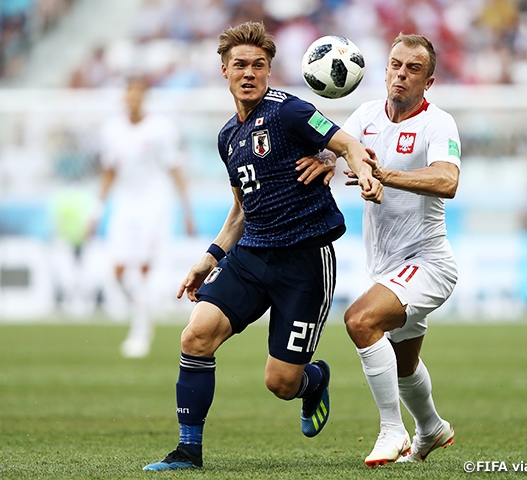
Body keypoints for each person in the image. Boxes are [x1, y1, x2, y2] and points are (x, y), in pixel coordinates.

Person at [143, 21, 383, 471]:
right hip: (251, 256)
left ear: (270, 70)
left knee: (280, 381)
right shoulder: (226, 138)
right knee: (195, 336)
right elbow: (240, 211)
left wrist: (362, 171)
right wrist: (208, 259)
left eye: (258, 65)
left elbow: (347, 142)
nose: (248, 73)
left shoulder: (290, 111)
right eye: (240, 65)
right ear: (224, 71)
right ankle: (187, 452)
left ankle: (313, 382)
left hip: (303, 261)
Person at [310, 33, 461, 467]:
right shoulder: (365, 114)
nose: (401, 74)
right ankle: (431, 428)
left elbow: (447, 181)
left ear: (428, 82)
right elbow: (345, 150)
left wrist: (385, 175)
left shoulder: (438, 123)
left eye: (413, 69)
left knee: (359, 320)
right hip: (386, 266)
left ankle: (392, 430)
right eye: (396, 64)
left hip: (429, 263)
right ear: (384, 68)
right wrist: (329, 158)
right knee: (403, 363)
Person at [93, 77, 195, 358]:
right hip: (124, 202)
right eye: (129, 95)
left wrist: (187, 210)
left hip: (155, 202)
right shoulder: (112, 130)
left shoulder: (162, 128)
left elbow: (175, 168)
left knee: (142, 267)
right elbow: (109, 171)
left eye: (138, 95)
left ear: (144, 98)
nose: (133, 100)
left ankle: (140, 330)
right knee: (117, 270)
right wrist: (97, 210)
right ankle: (143, 312)